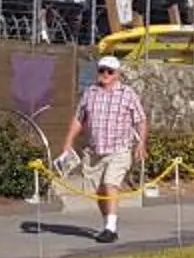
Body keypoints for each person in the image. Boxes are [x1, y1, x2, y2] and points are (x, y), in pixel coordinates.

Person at [61, 53, 147, 245]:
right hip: (95, 151)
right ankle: (108, 223)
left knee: (110, 184)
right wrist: (68, 142)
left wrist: (141, 143)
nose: (105, 74)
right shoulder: (90, 93)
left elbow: (140, 119)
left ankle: (111, 227)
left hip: (119, 149)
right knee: (100, 191)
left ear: (117, 74)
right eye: (102, 70)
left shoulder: (127, 94)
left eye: (110, 71)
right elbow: (78, 119)